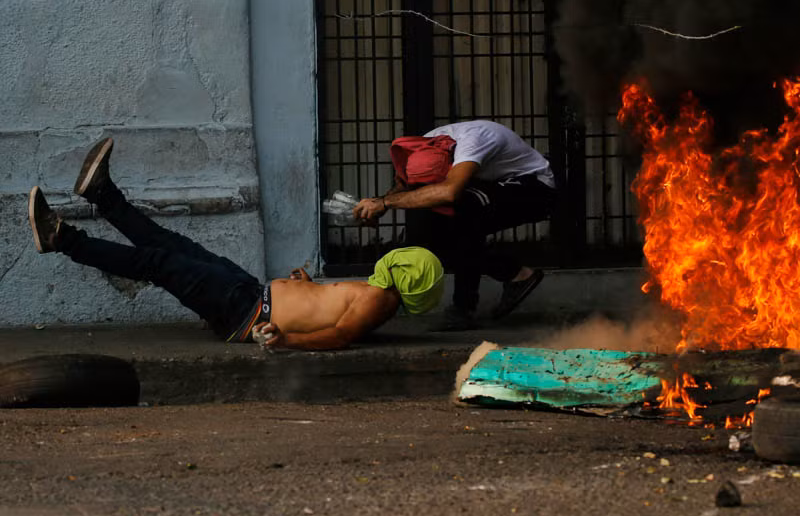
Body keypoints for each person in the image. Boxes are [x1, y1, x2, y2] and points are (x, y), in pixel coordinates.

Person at [28, 138, 444, 350]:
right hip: (248, 293)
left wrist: (285, 342)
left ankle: (63, 239)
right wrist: (305, 286)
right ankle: (103, 195)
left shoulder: (379, 301)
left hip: (243, 311)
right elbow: (322, 311)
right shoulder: (374, 294)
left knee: (158, 261)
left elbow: (337, 334)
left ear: (408, 276)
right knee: (168, 244)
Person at [353, 120, 557, 330]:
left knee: (462, 209)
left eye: (435, 182)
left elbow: (448, 192)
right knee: (435, 225)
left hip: (535, 188)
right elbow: (405, 186)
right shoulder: (425, 144)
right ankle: (512, 276)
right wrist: (378, 204)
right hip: (491, 183)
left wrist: (387, 203)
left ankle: (467, 305)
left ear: (451, 166)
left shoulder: (473, 143)